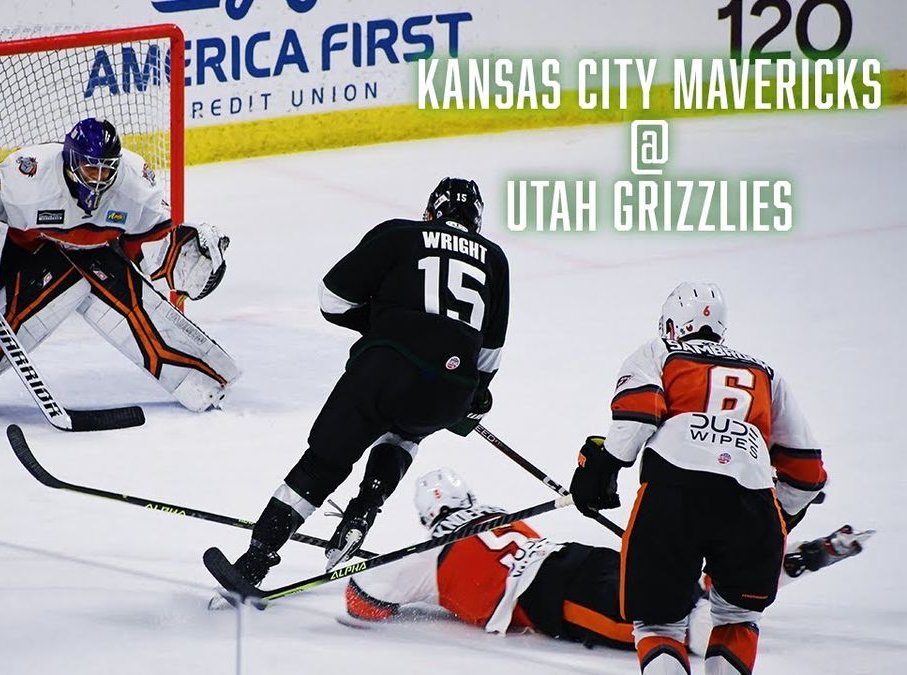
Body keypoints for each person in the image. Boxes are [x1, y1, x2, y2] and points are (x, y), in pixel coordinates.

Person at [215, 177, 510, 591]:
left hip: (383, 370)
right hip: (450, 386)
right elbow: (489, 355)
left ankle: (255, 560)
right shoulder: (495, 260)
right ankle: (365, 508)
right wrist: (475, 394)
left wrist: (384, 324)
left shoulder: (400, 233)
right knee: (407, 429)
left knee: (324, 461)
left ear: (431, 213)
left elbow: (332, 300)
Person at [0, 117, 240, 424]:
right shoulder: (30, 173)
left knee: (137, 307)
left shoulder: (135, 182)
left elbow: (150, 247)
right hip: (33, 257)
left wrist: (188, 256)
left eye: (106, 169)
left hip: (99, 259)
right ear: (70, 162)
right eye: (90, 168)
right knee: (9, 321)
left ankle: (204, 383)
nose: (99, 178)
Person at [569, 282, 829, 675]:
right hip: (751, 502)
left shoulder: (660, 352)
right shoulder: (766, 374)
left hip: (674, 495)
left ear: (672, 324)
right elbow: (807, 473)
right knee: (737, 619)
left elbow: (637, 418)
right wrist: (779, 515)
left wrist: (600, 472)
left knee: (658, 623)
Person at [343, 468, 872, 655]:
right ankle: (781, 561)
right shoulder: (507, 517)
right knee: (683, 588)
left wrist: (430, 600)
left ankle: (781, 563)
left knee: (668, 626)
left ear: (428, 518)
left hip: (553, 598)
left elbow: (363, 602)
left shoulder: (430, 558)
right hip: (574, 558)